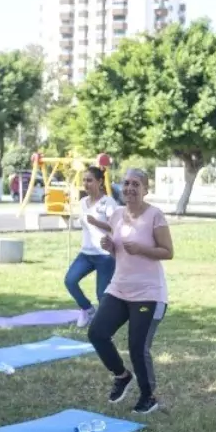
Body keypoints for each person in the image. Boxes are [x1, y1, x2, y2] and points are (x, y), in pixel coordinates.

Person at [86, 168, 173, 415]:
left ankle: (149, 396)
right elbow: (121, 252)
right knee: (97, 333)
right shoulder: (116, 215)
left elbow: (168, 251)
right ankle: (122, 375)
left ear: (145, 190)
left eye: (136, 184)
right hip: (119, 288)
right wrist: (110, 246)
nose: (130, 189)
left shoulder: (155, 215)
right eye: (126, 184)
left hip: (149, 293)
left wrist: (143, 249)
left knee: (137, 346)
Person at [65, 166, 118, 328]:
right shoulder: (82, 203)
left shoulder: (108, 202)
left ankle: (105, 324)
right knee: (70, 281)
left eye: (89, 180)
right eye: (84, 181)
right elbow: (81, 223)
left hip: (104, 255)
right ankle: (87, 309)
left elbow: (116, 227)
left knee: (102, 294)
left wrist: (97, 222)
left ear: (100, 182)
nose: (86, 184)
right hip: (86, 253)